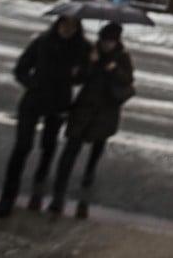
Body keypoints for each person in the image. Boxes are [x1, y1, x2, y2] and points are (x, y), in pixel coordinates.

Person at [0, 16, 91, 218]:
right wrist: (33, 84)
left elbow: (83, 78)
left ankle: (41, 176)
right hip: (34, 100)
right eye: (64, 25)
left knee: (49, 144)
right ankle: (7, 196)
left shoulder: (82, 49)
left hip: (59, 103)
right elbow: (21, 69)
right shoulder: (42, 42)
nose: (67, 30)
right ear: (58, 24)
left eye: (72, 26)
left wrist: (78, 72)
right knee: (22, 146)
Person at [48, 22, 134, 219]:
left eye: (110, 41)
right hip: (84, 108)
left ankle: (90, 170)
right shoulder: (90, 52)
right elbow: (78, 77)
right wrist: (90, 64)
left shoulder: (122, 58)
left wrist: (113, 69)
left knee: (98, 143)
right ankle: (58, 194)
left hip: (106, 111)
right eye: (104, 40)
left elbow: (127, 80)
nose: (106, 45)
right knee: (71, 148)